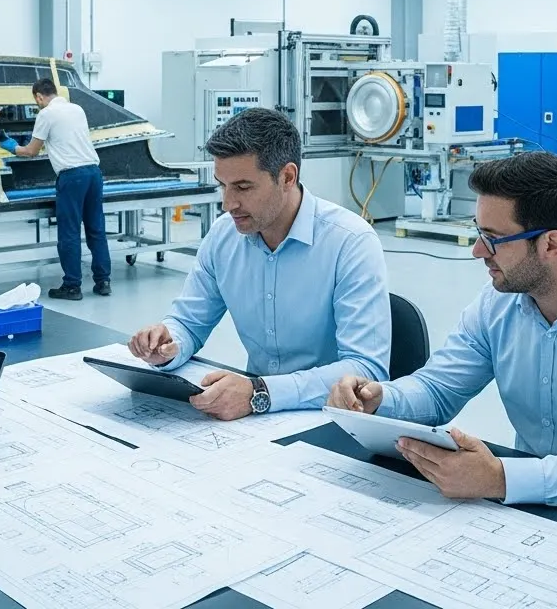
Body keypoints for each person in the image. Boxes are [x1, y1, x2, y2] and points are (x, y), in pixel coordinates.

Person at [327, 153, 557, 506]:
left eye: (494, 239)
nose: (478, 251)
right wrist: (380, 398)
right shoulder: (497, 304)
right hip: (532, 503)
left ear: (551, 244)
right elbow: (437, 390)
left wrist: (500, 478)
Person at [128, 108, 391, 420]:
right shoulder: (223, 236)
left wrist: (261, 392)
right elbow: (188, 322)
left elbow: (365, 368)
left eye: (242, 187)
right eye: (222, 185)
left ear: (287, 177)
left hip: (330, 416)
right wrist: (167, 343)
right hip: (254, 416)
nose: (227, 204)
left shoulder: (350, 242)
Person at [0, 77, 111, 300]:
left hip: (72, 177)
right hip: (93, 173)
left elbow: (31, 151)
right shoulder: (77, 109)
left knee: (69, 232)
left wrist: (11, 145)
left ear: (39, 97)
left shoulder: (46, 114)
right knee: (96, 230)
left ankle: (72, 286)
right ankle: (103, 282)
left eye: (36, 101)